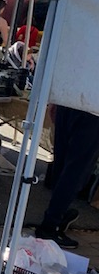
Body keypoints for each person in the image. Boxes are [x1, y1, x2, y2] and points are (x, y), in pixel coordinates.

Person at [35, 105, 99, 249]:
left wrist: (56, 102)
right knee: (75, 171)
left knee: (63, 164)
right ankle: (51, 224)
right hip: (91, 111)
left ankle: (56, 214)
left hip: (70, 104)